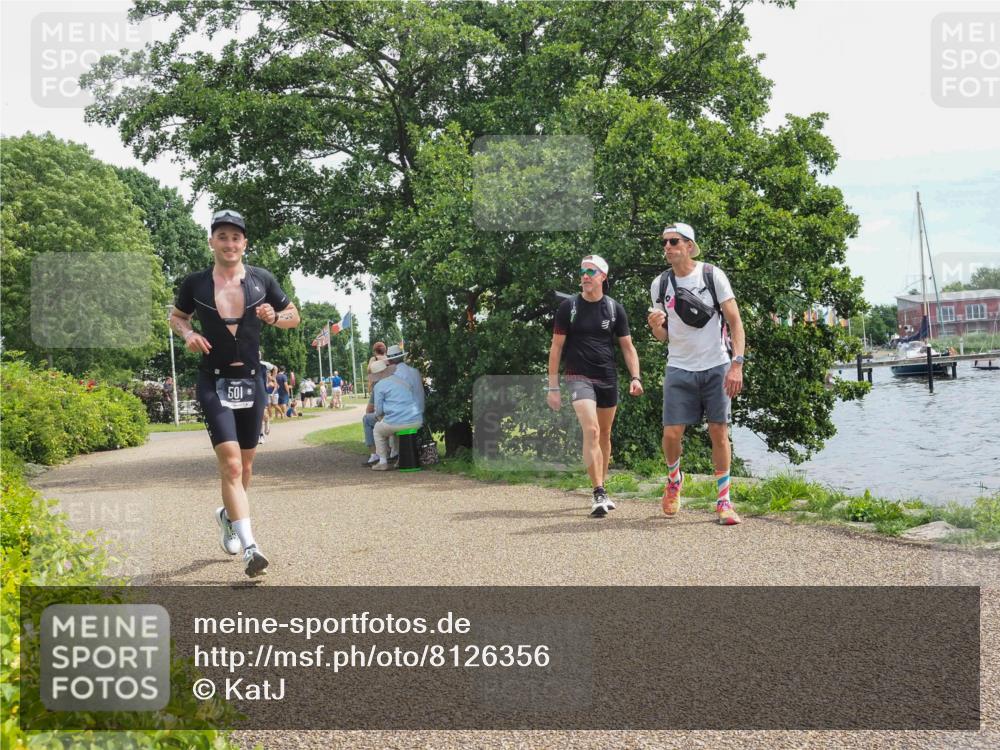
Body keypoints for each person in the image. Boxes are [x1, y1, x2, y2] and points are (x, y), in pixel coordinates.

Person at [169, 208, 300, 577]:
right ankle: (251, 548)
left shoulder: (262, 280)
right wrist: (188, 334)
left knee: (245, 466)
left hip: (252, 380)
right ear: (211, 241)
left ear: (245, 243)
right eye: (222, 236)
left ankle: (228, 516)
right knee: (229, 464)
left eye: (236, 237)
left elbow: (294, 316)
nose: (229, 243)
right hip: (214, 380)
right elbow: (178, 317)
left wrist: (276, 318)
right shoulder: (194, 283)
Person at [646, 222, 746, 526]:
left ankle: (724, 501)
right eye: (664, 242)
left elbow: (736, 322)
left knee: (718, 431)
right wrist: (654, 326)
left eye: (673, 242)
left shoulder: (712, 275)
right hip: (679, 366)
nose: (667, 247)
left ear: (689, 245)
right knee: (671, 433)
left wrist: (737, 364)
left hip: (716, 364)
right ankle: (674, 480)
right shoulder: (659, 285)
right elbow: (663, 337)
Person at [547, 254, 643, 517]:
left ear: (603, 276)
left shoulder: (614, 309)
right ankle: (598, 491)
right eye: (582, 271)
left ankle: (603, 487)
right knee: (591, 429)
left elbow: (627, 347)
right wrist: (552, 387)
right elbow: (556, 348)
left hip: (607, 377)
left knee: (605, 433)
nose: (585, 275)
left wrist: (636, 377)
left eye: (591, 271)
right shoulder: (569, 308)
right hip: (578, 377)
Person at [369, 359, 422, 471]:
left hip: (398, 421)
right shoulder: (401, 380)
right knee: (396, 431)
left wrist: (380, 417)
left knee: (378, 430)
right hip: (416, 419)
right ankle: (400, 459)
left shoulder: (379, 386)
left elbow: (378, 410)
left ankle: (383, 461)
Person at [361, 343, 390, 466]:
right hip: (406, 415)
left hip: (391, 418)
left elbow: (372, 411)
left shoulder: (378, 385)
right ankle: (385, 450)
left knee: (368, 418)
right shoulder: (391, 363)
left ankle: (375, 454)